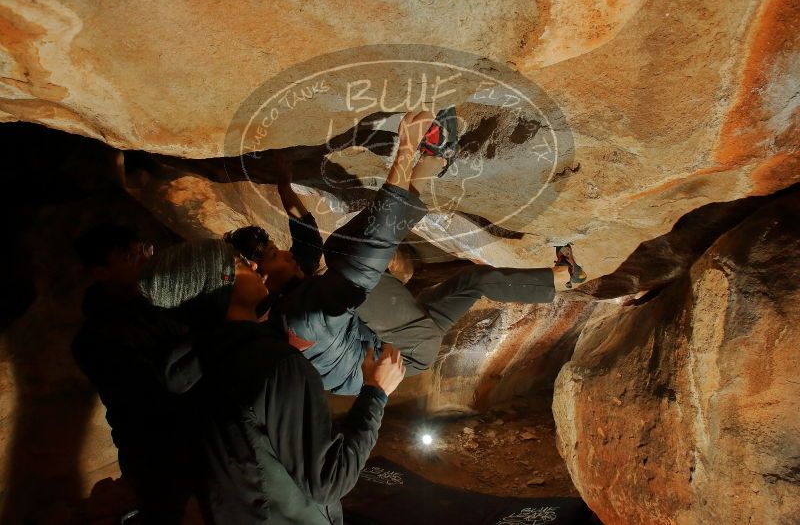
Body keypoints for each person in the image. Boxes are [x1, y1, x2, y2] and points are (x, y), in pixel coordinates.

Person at [227, 111, 589, 394]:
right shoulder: (304, 315)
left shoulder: (284, 296)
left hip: (399, 343)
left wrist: (282, 182)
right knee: (344, 255)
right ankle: (427, 159)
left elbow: (304, 232)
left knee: (473, 281)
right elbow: (370, 253)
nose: (287, 256)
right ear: (261, 275)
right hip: (400, 352)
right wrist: (404, 150)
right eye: (276, 256)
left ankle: (562, 276)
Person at [137, 238, 406, 524]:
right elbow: (329, 481)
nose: (253, 264)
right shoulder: (274, 366)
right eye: (239, 264)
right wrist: (375, 393)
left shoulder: (189, 367)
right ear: (221, 285)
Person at [71, 223, 206, 524]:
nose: (146, 258)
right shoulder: (96, 340)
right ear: (101, 272)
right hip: (160, 458)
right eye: (130, 257)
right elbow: (151, 401)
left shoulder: (161, 302)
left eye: (143, 250)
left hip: (194, 440)